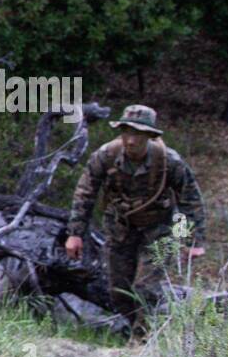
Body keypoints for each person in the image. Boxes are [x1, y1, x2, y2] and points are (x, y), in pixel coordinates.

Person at [64, 104, 206, 337]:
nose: (130, 140)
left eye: (138, 134)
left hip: (159, 229)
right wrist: (75, 233)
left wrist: (192, 240)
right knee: (118, 290)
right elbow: (85, 194)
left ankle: (142, 339)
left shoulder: (169, 162)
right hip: (120, 228)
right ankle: (135, 328)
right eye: (126, 131)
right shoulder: (105, 156)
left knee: (146, 288)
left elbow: (190, 201)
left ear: (150, 136)